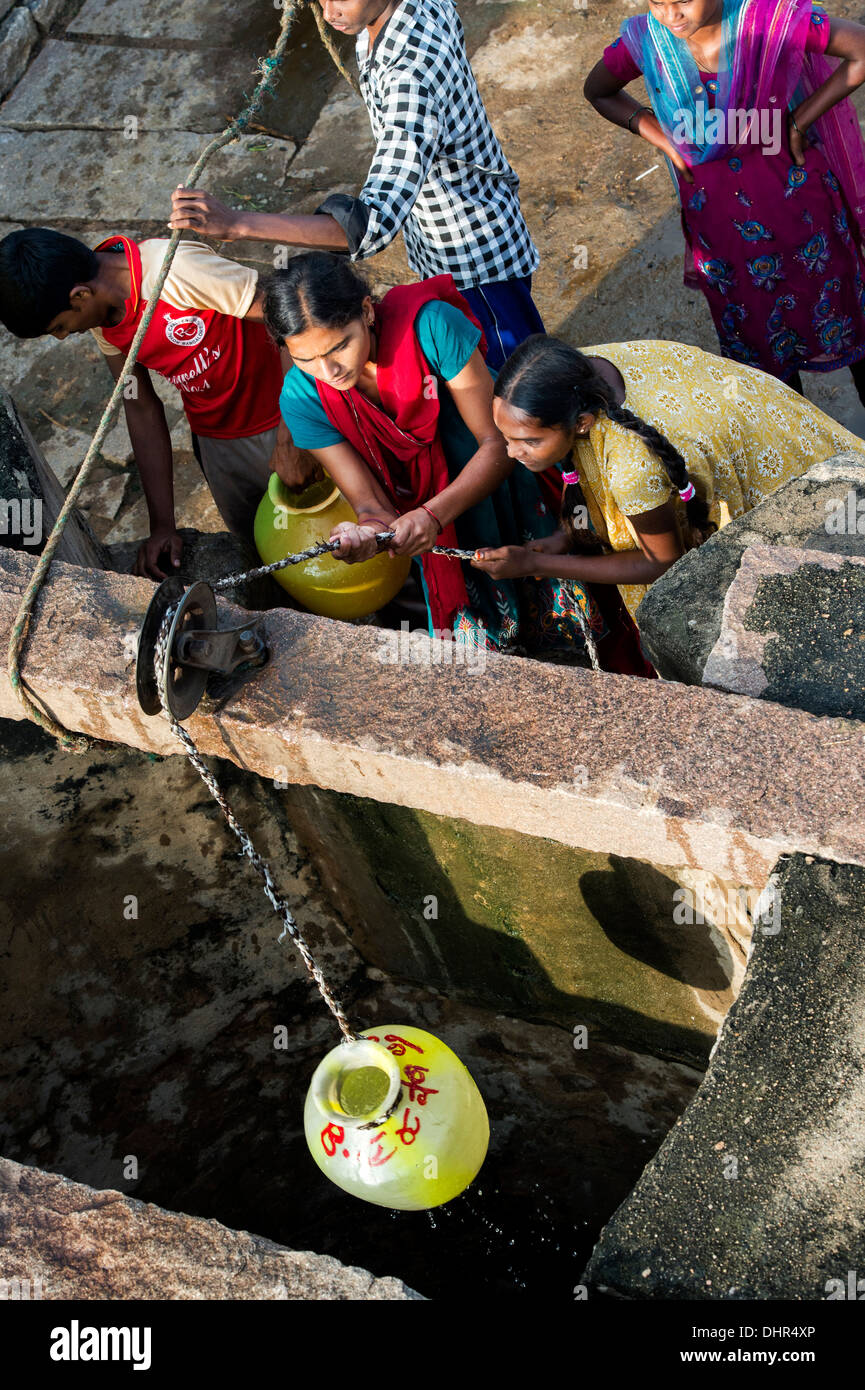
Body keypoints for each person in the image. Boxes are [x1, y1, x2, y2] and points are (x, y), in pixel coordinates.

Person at [169, 0, 543, 373]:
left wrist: (237, 225)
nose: (330, 12)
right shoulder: (400, 13)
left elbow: (370, 225)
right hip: (457, 230)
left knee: (519, 381)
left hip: (475, 261)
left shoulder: (410, 76)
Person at [262, 252, 605, 657]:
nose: (329, 371)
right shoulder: (303, 399)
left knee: (570, 620)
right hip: (434, 521)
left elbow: (496, 444)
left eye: (340, 347)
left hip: (509, 486)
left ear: (367, 313)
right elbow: (370, 504)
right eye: (305, 359)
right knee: (491, 655)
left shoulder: (430, 328)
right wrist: (366, 533)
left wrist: (432, 515)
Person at [473, 335, 864, 620]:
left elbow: (661, 562)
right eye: (505, 436)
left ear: (581, 423)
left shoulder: (632, 467)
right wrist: (565, 538)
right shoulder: (580, 373)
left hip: (807, 491)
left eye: (527, 441)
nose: (510, 452)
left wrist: (535, 565)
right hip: (785, 429)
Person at [584, 0, 865, 394]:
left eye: (682, 0)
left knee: (852, 327)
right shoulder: (648, 39)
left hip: (803, 217)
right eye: (657, 2)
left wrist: (801, 119)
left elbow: (860, 48)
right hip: (724, 236)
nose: (671, 15)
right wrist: (662, 137)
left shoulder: (767, 21)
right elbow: (597, 91)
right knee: (767, 375)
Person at [0, 227, 305, 578]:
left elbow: (290, 315)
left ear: (80, 295)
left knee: (330, 522)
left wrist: (294, 433)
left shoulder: (177, 269)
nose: (65, 335)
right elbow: (139, 406)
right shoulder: (106, 318)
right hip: (217, 442)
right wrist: (162, 525)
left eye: (59, 326)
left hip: (286, 414)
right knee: (268, 547)